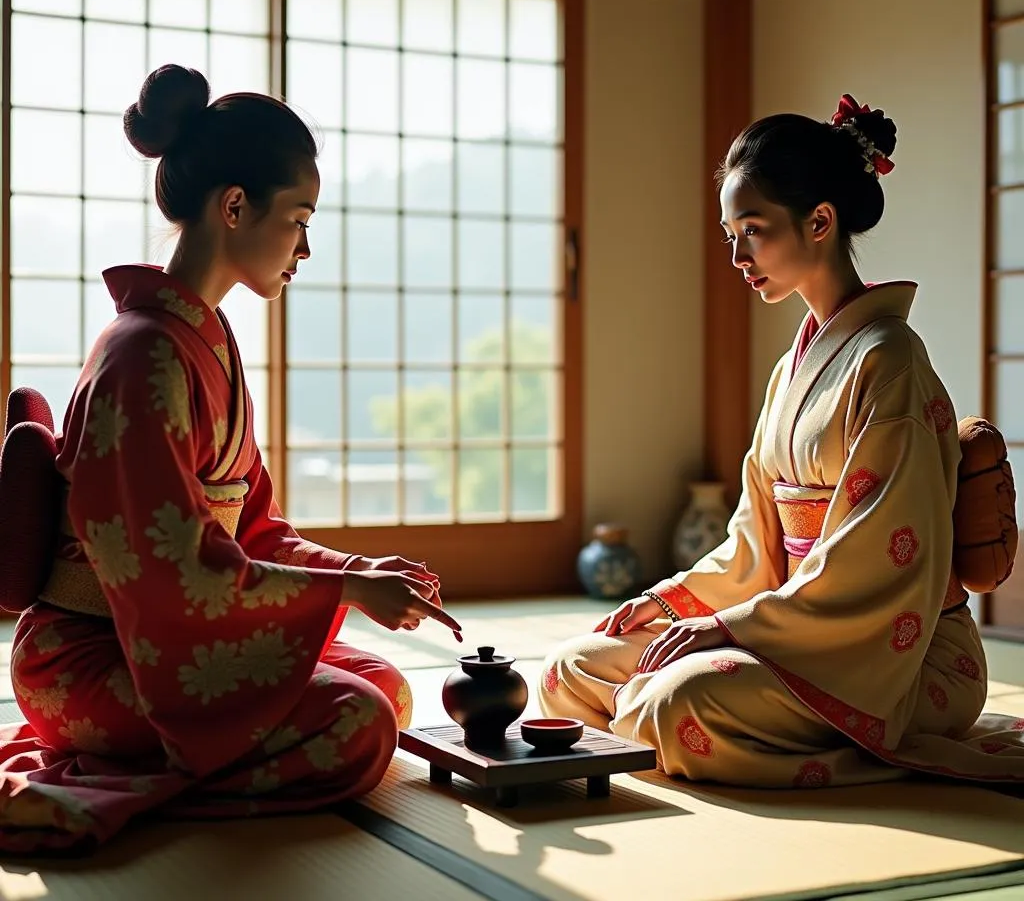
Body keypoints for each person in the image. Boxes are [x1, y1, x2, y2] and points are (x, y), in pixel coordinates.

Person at [0, 64, 463, 853]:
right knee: (359, 720)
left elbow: (250, 527)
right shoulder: (141, 356)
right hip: (89, 654)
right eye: (299, 219)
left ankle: (134, 769)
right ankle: (103, 790)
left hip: (155, 637)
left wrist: (354, 570)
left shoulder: (203, 337)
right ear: (236, 206)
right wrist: (344, 587)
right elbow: (169, 574)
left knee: (383, 684)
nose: (305, 248)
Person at [541, 94, 1024, 788]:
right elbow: (755, 543)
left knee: (678, 699)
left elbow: (875, 562)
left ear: (820, 222)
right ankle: (669, 718)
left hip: (897, 655)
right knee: (572, 667)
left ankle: (833, 749)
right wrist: (674, 602)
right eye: (729, 233)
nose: (737, 254)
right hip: (794, 630)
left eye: (753, 230)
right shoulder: (789, 371)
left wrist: (727, 630)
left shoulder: (890, 360)